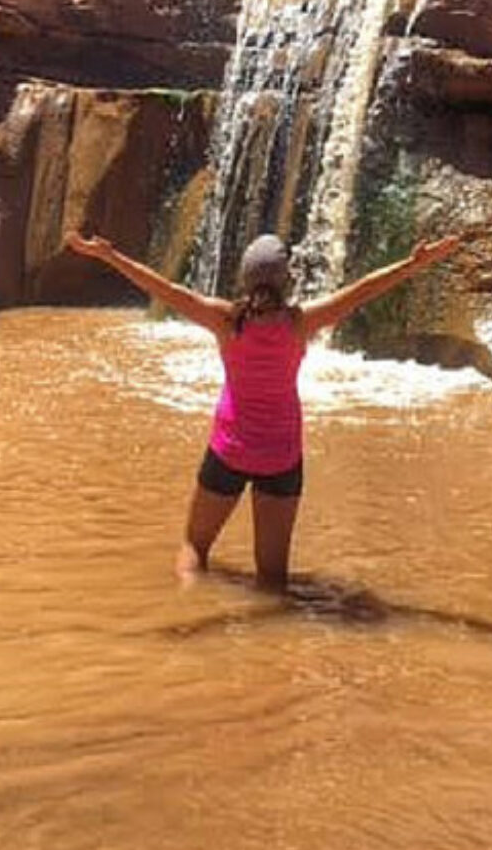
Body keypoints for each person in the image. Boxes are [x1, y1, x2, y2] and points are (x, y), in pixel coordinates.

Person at [63, 229, 460, 589]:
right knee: (272, 579)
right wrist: (413, 264)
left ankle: (188, 622)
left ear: (245, 279)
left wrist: (108, 255)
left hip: (228, 451)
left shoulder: (225, 320)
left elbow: (166, 290)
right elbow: (363, 290)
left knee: (193, 549)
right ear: (286, 280)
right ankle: (270, 661)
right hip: (282, 459)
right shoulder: (300, 323)